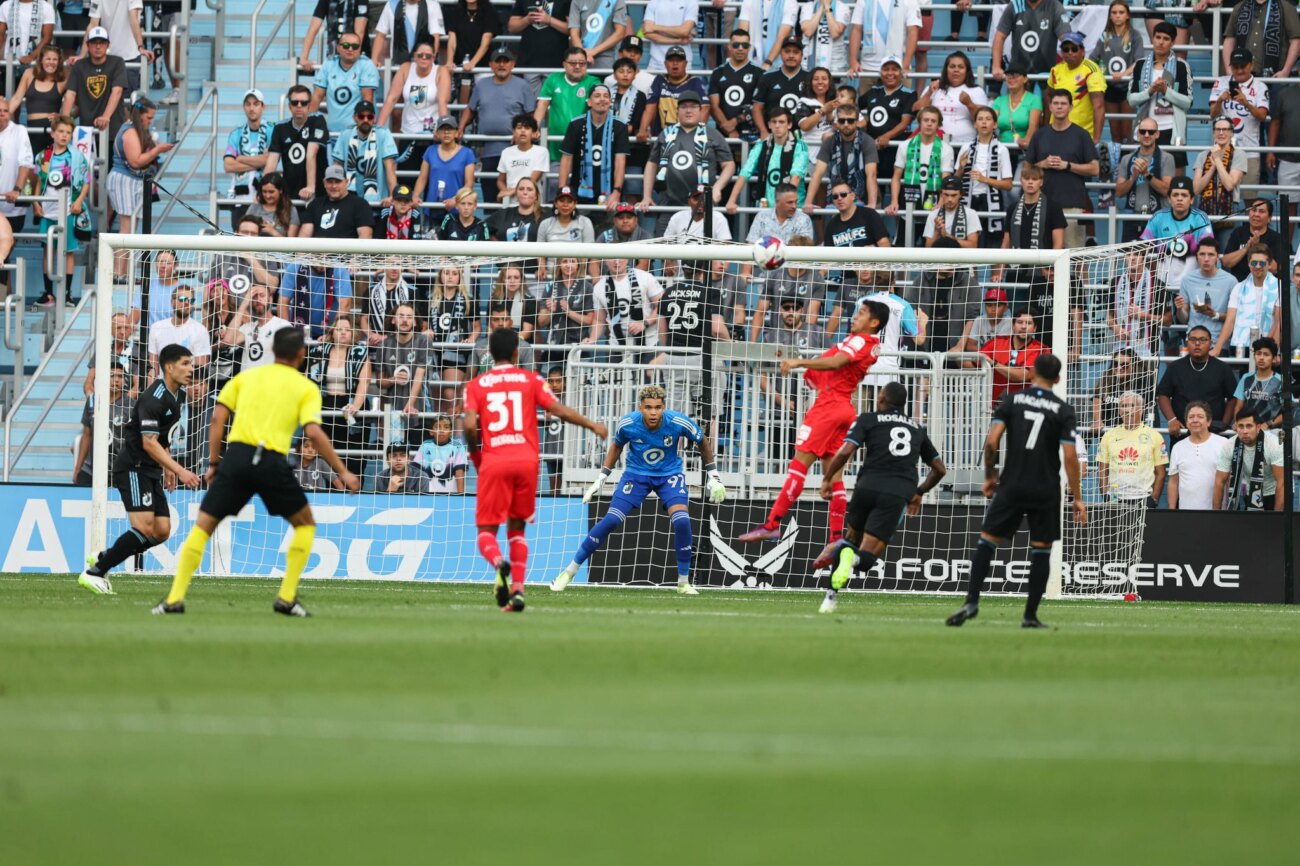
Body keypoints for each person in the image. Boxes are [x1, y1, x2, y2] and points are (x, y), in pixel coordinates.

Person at [155, 329, 361, 615]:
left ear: (273, 350)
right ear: (301, 354)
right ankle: (286, 597)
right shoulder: (306, 388)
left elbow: (217, 418)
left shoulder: (245, 378)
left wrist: (214, 463)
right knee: (305, 524)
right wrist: (343, 471)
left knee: (204, 526)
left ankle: (174, 598)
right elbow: (313, 432)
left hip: (236, 457)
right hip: (272, 460)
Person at [464, 326, 607, 612]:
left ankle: (497, 563)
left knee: (486, 531)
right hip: (527, 461)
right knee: (517, 529)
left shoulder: (477, 384)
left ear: (489, 353)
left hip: (495, 460)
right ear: (517, 352)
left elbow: (469, 424)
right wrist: (592, 425)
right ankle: (517, 591)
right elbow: (558, 409)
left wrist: (477, 455)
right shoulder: (531, 379)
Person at [946, 354, 1086, 629]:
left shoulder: (1012, 400)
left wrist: (989, 477)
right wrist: (1077, 497)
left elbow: (992, 442)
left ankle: (971, 602)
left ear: (1031, 372)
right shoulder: (1063, 409)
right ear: (1057, 379)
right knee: (1041, 549)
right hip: (1046, 488)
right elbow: (1070, 456)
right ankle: (1030, 616)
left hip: (1012, 484)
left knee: (987, 541)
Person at [738, 300, 889, 545]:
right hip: (844, 408)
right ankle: (836, 538)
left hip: (829, 407)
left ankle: (772, 524)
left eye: (861, 314)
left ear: (874, 323)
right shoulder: (871, 345)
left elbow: (837, 362)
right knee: (834, 479)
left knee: (799, 466)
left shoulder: (860, 340)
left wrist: (799, 362)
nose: (855, 317)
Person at [551, 384, 723, 594]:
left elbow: (702, 440)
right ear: (640, 407)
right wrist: (601, 477)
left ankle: (683, 582)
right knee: (611, 520)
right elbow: (616, 445)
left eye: (658, 407)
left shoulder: (677, 421)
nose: (653, 412)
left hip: (669, 475)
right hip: (636, 475)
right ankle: (569, 572)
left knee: (682, 521)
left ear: (664, 407)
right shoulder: (628, 423)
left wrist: (713, 476)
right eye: (648, 407)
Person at [812, 382, 946, 614]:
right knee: (866, 558)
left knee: (850, 540)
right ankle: (852, 560)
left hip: (867, 486)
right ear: (903, 403)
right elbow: (940, 469)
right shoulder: (917, 428)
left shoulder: (868, 419)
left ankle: (830, 599)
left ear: (882, 397)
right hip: (897, 492)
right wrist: (919, 492)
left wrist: (827, 479)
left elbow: (845, 451)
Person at [78, 344, 201, 595]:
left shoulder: (178, 395)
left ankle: (107, 556)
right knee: (144, 527)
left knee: (162, 531)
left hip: (151, 469)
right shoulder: (152, 397)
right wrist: (179, 470)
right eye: (186, 364)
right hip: (133, 467)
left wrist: (166, 469)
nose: (192, 369)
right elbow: (148, 442)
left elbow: (163, 438)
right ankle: (95, 572)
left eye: (191, 363)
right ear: (169, 367)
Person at [638, 89, 734, 236]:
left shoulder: (713, 134)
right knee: (664, 250)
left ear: (701, 110)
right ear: (677, 111)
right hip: (669, 204)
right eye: (684, 107)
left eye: (693, 106)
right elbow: (652, 164)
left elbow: (729, 165)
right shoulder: (666, 134)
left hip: (703, 204)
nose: (688, 110)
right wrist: (647, 196)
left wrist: (717, 188)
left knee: (703, 249)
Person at [1025, 88, 1097, 250]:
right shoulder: (1039, 135)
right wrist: (1042, 164)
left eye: (1063, 104)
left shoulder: (1082, 135)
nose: (1059, 107)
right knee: (1043, 256)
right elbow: (1027, 169)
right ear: (1049, 107)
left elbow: (1094, 169)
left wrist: (1068, 165)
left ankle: (1078, 278)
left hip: (1073, 205)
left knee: (1075, 255)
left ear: (1071, 107)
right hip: (1042, 204)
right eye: (1056, 103)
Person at [462, 45, 535, 205]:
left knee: (516, 194)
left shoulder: (523, 85)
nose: (502, 65)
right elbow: (470, 109)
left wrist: (525, 133)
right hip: (489, 151)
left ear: (512, 64)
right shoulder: (481, 85)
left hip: (516, 151)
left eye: (506, 61)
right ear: (491, 65)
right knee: (491, 195)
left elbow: (531, 117)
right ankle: (492, 229)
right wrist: (460, 128)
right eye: (498, 61)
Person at [303, 313, 371, 476]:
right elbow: (307, 379)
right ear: (332, 332)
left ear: (352, 332)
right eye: (339, 329)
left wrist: (355, 405)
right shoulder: (318, 350)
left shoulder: (360, 353)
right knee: (326, 452)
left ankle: (353, 487)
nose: (343, 332)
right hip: (324, 403)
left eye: (347, 329)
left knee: (352, 456)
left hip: (350, 404)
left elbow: (365, 382)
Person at [32, 113, 89, 306]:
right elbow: (37, 181)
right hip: (48, 210)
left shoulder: (76, 156)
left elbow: (86, 181)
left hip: (68, 210)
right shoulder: (43, 156)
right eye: (61, 132)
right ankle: (48, 293)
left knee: (68, 251)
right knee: (48, 250)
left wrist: (79, 201)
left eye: (68, 133)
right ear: (53, 133)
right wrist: (35, 204)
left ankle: (66, 293)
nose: (64, 136)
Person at [559, 83, 629, 224]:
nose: (602, 99)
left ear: (610, 102)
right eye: (597, 96)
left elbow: (620, 162)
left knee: (608, 235)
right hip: (580, 189)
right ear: (589, 102)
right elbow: (566, 159)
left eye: (606, 96)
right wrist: (562, 189)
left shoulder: (620, 126)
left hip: (609, 192)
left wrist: (616, 192)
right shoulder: (576, 124)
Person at [106, 95, 169, 250]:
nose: (150, 121)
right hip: (124, 179)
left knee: (132, 230)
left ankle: (124, 271)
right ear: (139, 115)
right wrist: (157, 150)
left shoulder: (137, 131)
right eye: (148, 117)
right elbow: (136, 161)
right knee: (126, 229)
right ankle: (120, 273)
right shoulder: (129, 131)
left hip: (134, 180)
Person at [1128, 22, 1192, 172]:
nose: (1161, 42)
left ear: (1173, 42)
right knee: (1147, 179)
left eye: (1166, 38)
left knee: (1176, 182)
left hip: (1173, 130)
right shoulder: (1140, 65)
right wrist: (1149, 91)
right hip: (1146, 131)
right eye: (1158, 37)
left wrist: (1166, 91)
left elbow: (1187, 102)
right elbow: (1131, 100)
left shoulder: (1182, 66)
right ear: (1152, 38)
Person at [1156, 325, 1239, 438]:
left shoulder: (1222, 368)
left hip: (1214, 433)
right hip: (1183, 432)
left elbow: (1233, 398)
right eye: (1193, 339)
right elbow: (1162, 395)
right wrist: (1172, 419)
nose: (1197, 343)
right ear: (1186, 343)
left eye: (1203, 340)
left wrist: (1224, 423)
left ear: (1210, 343)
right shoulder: (1175, 367)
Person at [378, 38, 445, 176]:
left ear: (434, 58)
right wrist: (378, 127)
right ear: (414, 56)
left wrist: (442, 131)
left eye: (428, 56)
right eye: (420, 55)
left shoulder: (440, 72)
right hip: (408, 132)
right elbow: (392, 98)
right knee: (406, 180)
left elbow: (442, 102)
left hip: (432, 134)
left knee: (431, 179)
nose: (424, 58)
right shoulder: (406, 68)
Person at [1209, 49, 1269, 193]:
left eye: (1243, 66)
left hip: (1250, 151)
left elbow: (1262, 116)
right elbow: (1212, 115)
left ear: (1251, 65)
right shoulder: (1220, 82)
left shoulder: (1260, 86)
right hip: (1222, 151)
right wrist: (1219, 101)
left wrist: (1246, 103)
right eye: (1235, 67)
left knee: (1250, 199)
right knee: (1221, 198)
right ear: (1230, 67)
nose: (1239, 70)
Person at [1139, 175, 1212, 291]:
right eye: (1175, 195)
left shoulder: (1200, 219)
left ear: (1192, 199)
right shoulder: (1158, 217)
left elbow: (1209, 247)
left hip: (1192, 285)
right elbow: (1144, 245)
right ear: (1169, 198)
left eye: (1184, 195)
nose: (1179, 198)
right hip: (1162, 286)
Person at [728, 106, 808, 212]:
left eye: (781, 122)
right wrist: (731, 201)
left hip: (793, 208)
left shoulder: (800, 146)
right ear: (769, 125)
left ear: (789, 125)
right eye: (774, 122)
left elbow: (796, 176)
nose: (777, 126)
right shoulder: (761, 146)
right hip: (767, 209)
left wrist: (785, 203)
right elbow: (745, 172)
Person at [857, 56, 915, 199]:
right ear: (880, 72)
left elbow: (905, 122)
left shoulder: (909, 94)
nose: (890, 73)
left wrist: (886, 137)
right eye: (886, 69)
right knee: (872, 195)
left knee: (899, 197)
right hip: (874, 150)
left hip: (896, 150)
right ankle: (873, 220)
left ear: (901, 73)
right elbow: (854, 106)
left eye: (895, 69)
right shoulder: (873, 91)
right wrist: (861, 120)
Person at [1096, 390, 1167, 507]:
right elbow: (1103, 470)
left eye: (1132, 406)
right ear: (1119, 411)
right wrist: (1106, 495)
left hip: (1143, 499)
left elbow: (1161, 473)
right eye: (1124, 406)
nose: (1128, 410)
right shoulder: (1108, 436)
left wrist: (1153, 499)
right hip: (1115, 499)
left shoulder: (1155, 436)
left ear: (1141, 409)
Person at [803, 101, 877, 211]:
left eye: (850, 121)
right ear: (837, 121)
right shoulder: (830, 141)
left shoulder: (867, 141)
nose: (846, 124)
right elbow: (818, 174)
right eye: (842, 121)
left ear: (857, 122)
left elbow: (871, 175)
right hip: (836, 199)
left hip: (861, 199)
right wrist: (808, 203)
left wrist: (871, 204)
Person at [954, 106, 1011, 249]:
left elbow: (1008, 184)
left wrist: (985, 179)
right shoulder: (966, 147)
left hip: (991, 199)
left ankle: (995, 273)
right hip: (968, 199)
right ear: (975, 124)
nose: (984, 123)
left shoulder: (1002, 149)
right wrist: (961, 167)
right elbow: (955, 181)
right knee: (967, 239)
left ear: (995, 124)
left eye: (988, 119)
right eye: (980, 119)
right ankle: (969, 272)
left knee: (994, 242)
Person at [61, 26, 126, 149]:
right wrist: (64, 122)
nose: (98, 46)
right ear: (87, 45)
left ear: (108, 45)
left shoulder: (117, 62)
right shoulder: (79, 65)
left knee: (110, 166)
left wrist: (106, 116)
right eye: (94, 43)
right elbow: (70, 94)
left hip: (113, 129)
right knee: (85, 167)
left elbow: (117, 91)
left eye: (102, 43)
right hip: (85, 132)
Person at [264, 84, 329, 205]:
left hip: (318, 195)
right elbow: (272, 161)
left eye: (303, 103)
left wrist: (310, 187)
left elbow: (312, 153)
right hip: (290, 196)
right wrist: (262, 191)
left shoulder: (317, 120)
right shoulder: (280, 127)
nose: (299, 106)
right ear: (289, 106)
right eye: (295, 103)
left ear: (309, 105)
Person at [1089, 0, 1143, 145]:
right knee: (1115, 133)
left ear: (1128, 16)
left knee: (1126, 132)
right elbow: (1092, 60)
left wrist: (1124, 74)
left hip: (1128, 87)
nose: (1117, 16)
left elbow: (1139, 60)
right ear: (1110, 16)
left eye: (1121, 12)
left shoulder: (1135, 35)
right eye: (1114, 13)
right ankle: (1117, 167)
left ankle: (1127, 164)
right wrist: (1100, 73)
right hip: (1109, 87)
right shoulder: (1104, 36)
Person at [536, 46, 600, 164]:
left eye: (582, 63)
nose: (577, 66)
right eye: (572, 63)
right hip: (556, 148)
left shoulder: (594, 82)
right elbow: (542, 104)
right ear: (564, 64)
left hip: (583, 148)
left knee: (582, 182)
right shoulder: (553, 78)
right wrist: (535, 126)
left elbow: (598, 110)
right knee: (556, 182)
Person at [1214, 243, 1280, 358]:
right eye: (1254, 263)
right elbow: (1230, 320)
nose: (1258, 266)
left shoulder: (1279, 287)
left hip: (1269, 347)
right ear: (1249, 264)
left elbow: (1279, 323)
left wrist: (1274, 351)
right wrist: (1217, 348)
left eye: (1262, 263)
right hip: (1243, 345)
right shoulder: (1239, 288)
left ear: (1269, 265)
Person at [885, 105, 950, 220]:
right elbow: (896, 177)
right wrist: (894, 201)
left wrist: (941, 202)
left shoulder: (946, 149)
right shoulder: (905, 145)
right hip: (909, 201)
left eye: (933, 121)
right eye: (926, 120)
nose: (929, 124)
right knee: (904, 237)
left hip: (934, 205)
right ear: (919, 122)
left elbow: (945, 179)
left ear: (938, 125)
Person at [331, 98, 398, 208]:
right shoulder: (345, 135)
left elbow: (390, 167)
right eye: (361, 116)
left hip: (378, 202)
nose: (365, 120)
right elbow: (337, 167)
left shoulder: (383, 134)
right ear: (355, 118)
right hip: (349, 202)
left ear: (374, 118)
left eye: (369, 116)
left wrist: (392, 196)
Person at [1213, 407, 1284, 511]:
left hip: (1276, 491)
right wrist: (1216, 514)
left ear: (1258, 427)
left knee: (1275, 525)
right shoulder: (1229, 446)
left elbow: (1281, 482)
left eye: (1249, 426)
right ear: (1236, 427)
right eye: (1241, 426)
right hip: (1251, 492)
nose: (1244, 431)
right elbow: (1219, 481)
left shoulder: (1274, 444)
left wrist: (1278, 518)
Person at [912, 51, 987, 148]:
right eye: (952, 66)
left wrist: (969, 104)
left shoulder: (976, 90)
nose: (956, 70)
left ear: (967, 71)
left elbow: (983, 119)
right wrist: (929, 93)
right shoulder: (934, 88)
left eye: (960, 67)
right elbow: (915, 112)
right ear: (946, 70)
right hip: (934, 146)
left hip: (965, 146)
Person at [309, 31, 380, 134]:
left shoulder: (366, 65)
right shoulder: (328, 64)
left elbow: (367, 102)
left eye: (355, 46)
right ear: (338, 48)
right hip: (332, 132)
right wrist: (308, 126)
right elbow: (317, 97)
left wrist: (363, 133)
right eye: (346, 45)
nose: (350, 49)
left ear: (360, 49)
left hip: (357, 134)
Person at [73, 362, 131, 487]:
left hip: (119, 470)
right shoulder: (93, 401)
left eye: (120, 377)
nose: (116, 380)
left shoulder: (132, 405)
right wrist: (78, 467)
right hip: (91, 470)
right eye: (112, 376)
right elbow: (87, 435)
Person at [587, 253, 663, 347]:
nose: (617, 262)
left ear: (627, 259)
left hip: (649, 344)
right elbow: (599, 320)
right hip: (616, 347)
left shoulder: (645, 277)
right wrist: (592, 339)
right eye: (612, 257)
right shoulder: (599, 287)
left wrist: (645, 323)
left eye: (620, 257)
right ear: (605, 260)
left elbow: (662, 305)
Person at [1115, 118, 1174, 240]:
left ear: (1157, 134)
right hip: (1132, 217)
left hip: (1158, 217)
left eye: (1151, 132)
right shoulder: (1127, 158)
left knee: (1155, 259)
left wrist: (1147, 174)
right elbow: (1119, 192)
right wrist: (1133, 177)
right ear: (1138, 134)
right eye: (1143, 132)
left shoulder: (1167, 158)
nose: (1146, 135)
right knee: (1130, 258)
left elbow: (1166, 190)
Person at [223, 89, 272, 227]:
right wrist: (259, 161)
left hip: (264, 197)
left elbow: (270, 160)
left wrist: (240, 158)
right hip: (240, 198)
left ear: (263, 107)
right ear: (244, 107)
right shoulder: (236, 133)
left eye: (256, 104)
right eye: (248, 104)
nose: (251, 108)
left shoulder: (272, 130)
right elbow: (228, 166)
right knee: (239, 242)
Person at [1174, 238, 1236, 346]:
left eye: (1211, 255)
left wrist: (1215, 315)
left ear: (1217, 257)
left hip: (1218, 343)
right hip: (1193, 341)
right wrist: (1179, 309)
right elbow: (1184, 319)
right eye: (1202, 254)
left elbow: (1235, 318)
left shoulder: (1231, 281)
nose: (1206, 259)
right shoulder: (1188, 279)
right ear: (1197, 257)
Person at [1192, 118, 1247, 241]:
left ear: (1232, 132)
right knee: (1205, 252)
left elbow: (1229, 185)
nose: (1221, 133)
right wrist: (1212, 168)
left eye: (1225, 129)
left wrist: (1217, 159)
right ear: (1213, 133)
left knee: (1226, 254)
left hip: (1230, 210)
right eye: (1218, 129)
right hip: (1204, 211)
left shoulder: (1239, 154)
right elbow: (1196, 189)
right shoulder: (1202, 155)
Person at [1046, 32, 1106, 145]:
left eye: (1074, 49)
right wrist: (1046, 128)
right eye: (1065, 49)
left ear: (1082, 51)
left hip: (1081, 135)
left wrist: (1096, 138)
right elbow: (1049, 95)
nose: (1070, 53)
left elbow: (1098, 106)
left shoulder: (1091, 70)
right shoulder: (1056, 70)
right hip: (1056, 132)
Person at [1166, 401, 1227, 510]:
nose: (1195, 420)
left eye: (1200, 417)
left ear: (1209, 421)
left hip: (1217, 513)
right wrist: (1172, 511)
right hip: (1186, 513)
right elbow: (1173, 482)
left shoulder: (1223, 444)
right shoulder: (1178, 447)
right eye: (1191, 417)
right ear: (1186, 421)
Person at [991, 0, 1070, 81]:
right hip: (1018, 74)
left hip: (1048, 72)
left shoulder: (1054, 5)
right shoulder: (1014, 5)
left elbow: (1065, 37)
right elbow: (999, 37)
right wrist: (996, 66)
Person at [1220, 0, 1300, 80]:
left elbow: (1296, 41)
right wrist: (1229, 69)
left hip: (1274, 78)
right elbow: (1229, 40)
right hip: (1242, 77)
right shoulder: (1239, 7)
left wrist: (1286, 71)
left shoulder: (1286, 8)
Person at [709, 28, 762, 143]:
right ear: (729, 46)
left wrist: (735, 121)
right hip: (722, 134)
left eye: (744, 45)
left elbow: (760, 106)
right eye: (736, 45)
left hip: (751, 134)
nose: (740, 49)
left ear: (749, 47)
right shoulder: (718, 72)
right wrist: (729, 130)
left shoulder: (759, 73)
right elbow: (714, 106)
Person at [10, 43, 65, 155]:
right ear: (41, 60)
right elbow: (16, 99)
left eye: (55, 59)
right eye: (48, 59)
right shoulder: (29, 74)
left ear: (59, 62)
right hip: (31, 130)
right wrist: (4, 116)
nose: (51, 62)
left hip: (52, 130)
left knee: (50, 169)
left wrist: (63, 116)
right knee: (31, 168)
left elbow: (78, 103)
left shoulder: (62, 79)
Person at [507, 0, 574, 91]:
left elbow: (573, 29)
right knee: (531, 103)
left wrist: (549, 20)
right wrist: (527, 20)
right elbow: (512, 27)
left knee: (554, 103)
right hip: (528, 62)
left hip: (557, 63)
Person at [981, 308, 1046, 401]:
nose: (1023, 326)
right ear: (1013, 326)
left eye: (1028, 323)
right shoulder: (996, 343)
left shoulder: (1041, 349)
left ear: (1035, 328)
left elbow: (1023, 376)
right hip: (995, 406)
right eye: (1019, 322)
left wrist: (993, 363)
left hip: (1026, 407)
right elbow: (973, 363)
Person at [412, 115, 475, 212]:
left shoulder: (467, 153)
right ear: (437, 133)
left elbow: (469, 184)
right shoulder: (430, 151)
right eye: (442, 129)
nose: (446, 132)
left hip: (457, 210)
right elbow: (422, 178)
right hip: (432, 208)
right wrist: (415, 195)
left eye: (450, 129)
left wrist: (455, 199)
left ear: (456, 132)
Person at [849, 0, 920, 82]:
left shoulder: (910, 1)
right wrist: (853, 61)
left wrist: (905, 65)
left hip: (898, 68)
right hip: (868, 68)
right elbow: (856, 30)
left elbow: (913, 33)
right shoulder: (863, 1)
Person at [751, 36, 808, 137]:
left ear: (802, 55)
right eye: (787, 51)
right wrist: (763, 131)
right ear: (781, 53)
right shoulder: (768, 77)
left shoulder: (810, 78)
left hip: (803, 137)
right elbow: (757, 108)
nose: (791, 55)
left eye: (795, 52)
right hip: (773, 136)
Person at [300, 164, 375, 240]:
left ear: (346, 182)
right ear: (324, 183)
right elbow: (304, 235)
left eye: (338, 181)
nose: (334, 186)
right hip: (317, 251)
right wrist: (301, 252)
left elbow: (365, 237)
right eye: (330, 182)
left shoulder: (360, 205)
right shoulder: (315, 204)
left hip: (347, 251)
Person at [1227, 336, 1284, 431]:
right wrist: (1238, 422)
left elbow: (1287, 412)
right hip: (1247, 430)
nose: (1261, 358)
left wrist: (1268, 424)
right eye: (1258, 354)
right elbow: (1238, 406)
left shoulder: (1281, 380)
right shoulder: (1246, 378)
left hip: (1271, 432)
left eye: (1266, 354)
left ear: (1274, 358)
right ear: (1254, 356)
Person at [1221, 198, 1285, 281]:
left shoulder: (1276, 238)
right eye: (1254, 210)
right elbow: (1226, 262)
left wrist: (1258, 247)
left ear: (1269, 218)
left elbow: (1276, 269)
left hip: (1266, 286)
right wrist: (1247, 248)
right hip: (1240, 285)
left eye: (1261, 211)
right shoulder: (1238, 232)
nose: (1256, 214)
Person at [297, 0, 367, 73]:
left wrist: (354, 58)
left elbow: (360, 32)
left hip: (356, 57)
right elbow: (313, 28)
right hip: (334, 58)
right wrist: (304, 58)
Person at [373, 0, 446, 68]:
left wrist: (430, 60)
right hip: (398, 66)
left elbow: (435, 38)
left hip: (424, 66)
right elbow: (380, 35)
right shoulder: (391, 4)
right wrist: (374, 59)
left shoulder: (432, 5)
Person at [494, 113, 547, 205]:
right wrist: (505, 191)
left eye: (527, 128)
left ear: (534, 133)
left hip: (532, 203)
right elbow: (500, 180)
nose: (522, 131)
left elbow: (532, 180)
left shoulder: (541, 152)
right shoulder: (506, 152)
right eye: (519, 128)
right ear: (514, 132)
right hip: (511, 204)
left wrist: (512, 191)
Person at [744, 181, 814, 246]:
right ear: (777, 202)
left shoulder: (804, 219)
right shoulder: (761, 217)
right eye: (790, 202)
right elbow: (751, 245)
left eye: (796, 202)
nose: (794, 206)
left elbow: (805, 249)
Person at [922, 176, 981, 249]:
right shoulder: (933, 215)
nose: (949, 199)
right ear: (941, 194)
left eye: (954, 195)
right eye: (946, 195)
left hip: (962, 259)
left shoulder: (971, 214)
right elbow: (928, 248)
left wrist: (947, 236)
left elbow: (973, 246)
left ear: (961, 194)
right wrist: (937, 232)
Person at [414, 413, 467, 493]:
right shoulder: (425, 445)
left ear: (451, 432)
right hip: (428, 493)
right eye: (437, 427)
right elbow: (417, 470)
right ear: (431, 432)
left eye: (446, 427)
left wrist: (461, 496)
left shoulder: (458, 447)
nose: (442, 430)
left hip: (451, 494)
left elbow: (459, 473)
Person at [643, 0, 700, 72]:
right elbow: (647, 33)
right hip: (655, 63)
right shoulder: (653, 2)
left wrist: (655, 27)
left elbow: (684, 31)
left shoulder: (691, 2)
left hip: (682, 63)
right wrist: (678, 40)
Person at [245, 172, 299, 238]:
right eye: (264, 191)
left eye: (271, 192)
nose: (267, 196)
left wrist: (273, 231)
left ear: (280, 190)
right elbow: (244, 232)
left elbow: (292, 243)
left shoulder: (291, 210)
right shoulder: (255, 207)